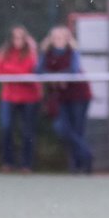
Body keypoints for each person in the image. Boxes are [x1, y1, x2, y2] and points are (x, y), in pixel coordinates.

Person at [38, 25, 94, 174]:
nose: (58, 40)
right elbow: (38, 70)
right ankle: (87, 154)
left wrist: (56, 76)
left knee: (77, 130)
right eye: (55, 37)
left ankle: (78, 167)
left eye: (61, 37)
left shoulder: (73, 52)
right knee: (61, 128)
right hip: (61, 97)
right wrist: (55, 77)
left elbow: (74, 71)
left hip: (79, 95)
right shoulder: (46, 53)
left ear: (67, 39)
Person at [0, 25, 41, 173]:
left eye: (21, 37)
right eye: (15, 37)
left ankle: (26, 165)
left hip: (29, 98)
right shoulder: (4, 52)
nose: (18, 40)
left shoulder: (31, 52)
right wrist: (16, 73)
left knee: (27, 132)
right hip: (9, 97)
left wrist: (10, 70)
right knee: (6, 128)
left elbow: (29, 72)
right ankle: (7, 163)